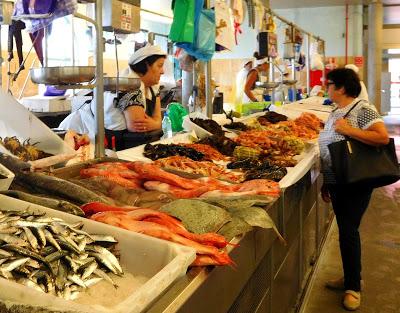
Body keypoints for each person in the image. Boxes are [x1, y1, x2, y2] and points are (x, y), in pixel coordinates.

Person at [318, 68, 389, 311]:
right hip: (338, 180)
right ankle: (350, 276)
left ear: (341, 88)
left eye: (329, 84)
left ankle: (353, 288)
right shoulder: (335, 111)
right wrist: (327, 181)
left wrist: (349, 130)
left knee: (349, 231)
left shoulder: (362, 108)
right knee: (346, 230)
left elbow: (382, 137)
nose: (326, 88)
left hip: (356, 180)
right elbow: (329, 152)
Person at [102, 44, 167, 150]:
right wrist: (156, 122)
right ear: (146, 65)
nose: (163, 71)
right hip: (119, 146)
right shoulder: (129, 85)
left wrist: (156, 123)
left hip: (139, 145)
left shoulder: (153, 87)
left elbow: (159, 121)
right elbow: (137, 127)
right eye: (159, 66)